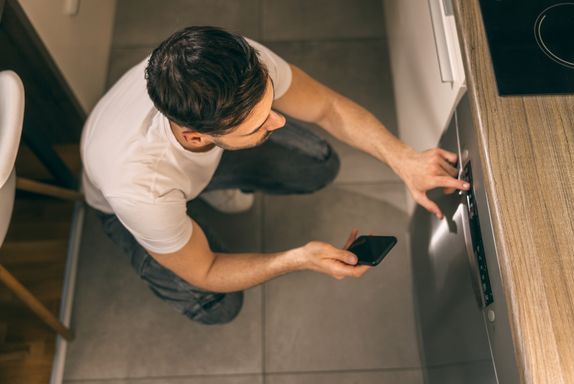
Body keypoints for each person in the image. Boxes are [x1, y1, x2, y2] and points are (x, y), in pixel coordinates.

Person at [81, 26, 469, 325]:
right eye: (257, 125)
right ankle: (183, 212)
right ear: (196, 135)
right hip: (129, 205)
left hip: (188, 168)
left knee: (318, 163)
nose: (280, 121)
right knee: (218, 305)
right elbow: (206, 269)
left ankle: (206, 187)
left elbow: (328, 108)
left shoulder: (237, 63)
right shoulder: (139, 191)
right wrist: (297, 258)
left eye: (269, 104)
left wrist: (404, 159)